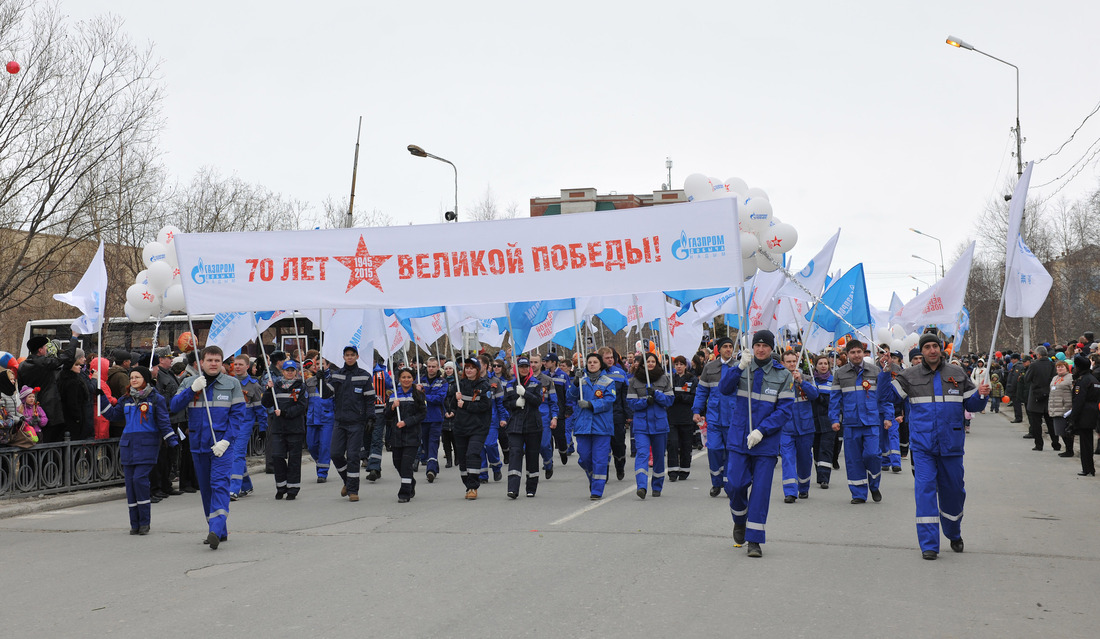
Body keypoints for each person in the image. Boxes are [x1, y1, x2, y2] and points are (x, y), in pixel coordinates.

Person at [885, 333, 989, 560]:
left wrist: (982, 396)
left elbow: (971, 402)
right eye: (927, 347)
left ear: (941, 349)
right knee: (924, 492)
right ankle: (929, 545)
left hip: (951, 445)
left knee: (954, 492)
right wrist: (886, 371)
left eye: (935, 346)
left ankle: (953, 532)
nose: (932, 350)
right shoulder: (909, 376)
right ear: (921, 351)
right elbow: (886, 398)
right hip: (923, 446)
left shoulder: (957, 373)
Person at [719, 330, 794, 558]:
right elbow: (724, 389)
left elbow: (784, 411)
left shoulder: (783, 376)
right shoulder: (743, 369)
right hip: (739, 438)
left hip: (766, 442)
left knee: (760, 492)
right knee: (734, 484)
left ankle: (754, 540)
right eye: (757, 345)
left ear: (772, 349)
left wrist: (762, 430)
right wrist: (739, 367)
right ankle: (739, 519)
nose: (761, 349)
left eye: (765, 345)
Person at [170, 346, 249, 549]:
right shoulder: (190, 382)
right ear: (201, 363)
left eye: (217, 360)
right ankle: (218, 530)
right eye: (210, 360)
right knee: (206, 489)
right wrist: (192, 390)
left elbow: (238, 416)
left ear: (222, 363)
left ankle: (214, 528)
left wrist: (227, 440)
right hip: (198, 445)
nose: (213, 363)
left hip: (222, 446)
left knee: (219, 484)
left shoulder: (232, 384)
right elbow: (174, 406)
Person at [101, 366, 180, 535]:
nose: (133, 380)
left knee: (139, 480)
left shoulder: (155, 399)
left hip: (147, 445)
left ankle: (145, 522)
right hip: (128, 445)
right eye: (131, 378)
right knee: (130, 484)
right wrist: (101, 397)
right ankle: (134, 524)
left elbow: (163, 422)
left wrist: (172, 440)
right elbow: (113, 415)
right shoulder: (126, 399)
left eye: (137, 377)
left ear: (145, 379)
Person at [829, 339, 894, 504]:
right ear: (847, 355)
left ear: (863, 353)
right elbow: (835, 399)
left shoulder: (875, 371)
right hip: (851, 423)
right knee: (853, 459)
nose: (856, 355)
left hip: (871, 422)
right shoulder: (840, 373)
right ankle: (858, 493)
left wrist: (888, 416)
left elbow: (884, 397)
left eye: (859, 352)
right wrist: (834, 419)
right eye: (853, 352)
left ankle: (874, 484)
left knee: (873, 454)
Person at [329, 346, 376, 502]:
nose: (349, 357)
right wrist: (322, 379)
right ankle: (347, 481)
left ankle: (353, 490)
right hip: (340, 421)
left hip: (357, 422)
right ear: (343, 357)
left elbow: (370, 400)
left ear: (357, 356)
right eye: (347, 355)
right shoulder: (337, 375)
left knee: (353, 456)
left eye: (352, 355)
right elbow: (325, 395)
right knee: (335, 454)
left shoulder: (364, 376)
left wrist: (371, 418)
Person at [566, 353, 617, 500]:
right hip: (583, 425)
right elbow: (570, 396)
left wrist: (591, 404)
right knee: (584, 457)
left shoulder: (608, 382)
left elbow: (609, 401)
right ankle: (593, 479)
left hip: (601, 427)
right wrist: (575, 381)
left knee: (599, 459)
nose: (592, 364)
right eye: (589, 362)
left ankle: (597, 490)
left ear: (600, 364)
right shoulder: (582, 380)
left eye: (595, 362)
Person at [693, 337, 736, 497]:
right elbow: (702, 391)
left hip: (733, 417)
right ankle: (716, 482)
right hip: (715, 416)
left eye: (730, 346)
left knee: (731, 452)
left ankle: (728, 483)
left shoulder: (739, 367)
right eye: (725, 346)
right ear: (718, 349)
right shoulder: (710, 368)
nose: (728, 349)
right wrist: (697, 410)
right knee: (714, 449)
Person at [626, 352, 673, 499]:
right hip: (641, 424)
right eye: (648, 362)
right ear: (643, 364)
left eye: (653, 361)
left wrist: (657, 395)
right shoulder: (634, 381)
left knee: (659, 456)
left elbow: (670, 400)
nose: (650, 364)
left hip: (659, 424)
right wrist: (645, 401)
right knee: (642, 454)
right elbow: (631, 403)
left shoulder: (664, 379)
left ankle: (657, 486)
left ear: (657, 363)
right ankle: (641, 486)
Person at [263, 360, 309, 499]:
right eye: (287, 370)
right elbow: (266, 403)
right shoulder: (276, 385)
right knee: (277, 457)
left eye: (292, 370)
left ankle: (293, 489)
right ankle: (281, 487)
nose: (289, 372)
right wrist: (268, 390)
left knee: (294, 460)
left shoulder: (301, 386)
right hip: (278, 429)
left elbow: (302, 407)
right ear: (282, 371)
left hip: (295, 429)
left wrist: (284, 413)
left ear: (296, 372)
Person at [19, 335, 78, 442]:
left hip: (31, 411)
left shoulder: (22, 366)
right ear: (40, 350)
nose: (46, 349)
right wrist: (74, 337)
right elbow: (67, 356)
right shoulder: (44, 362)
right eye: (45, 347)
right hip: (50, 409)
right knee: (51, 442)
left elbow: (21, 389)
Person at [501, 356, 544, 498]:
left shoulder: (536, 383)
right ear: (517, 368)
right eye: (521, 367)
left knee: (532, 456)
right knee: (515, 454)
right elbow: (505, 403)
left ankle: (531, 487)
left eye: (526, 367)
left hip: (533, 425)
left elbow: (538, 401)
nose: (524, 369)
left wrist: (525, 394)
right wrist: (515, 404)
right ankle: (513, 488)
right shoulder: (509, 384)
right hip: (515, 425)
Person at [780, 350, 817, 502]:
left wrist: (801, 381)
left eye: (794, 361)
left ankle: (803, 487)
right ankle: (790, 492)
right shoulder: (778, 380)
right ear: (782, 363)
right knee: (787, 458)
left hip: (805, 426)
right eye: (788, 362)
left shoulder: (807, 377)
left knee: (804, 459)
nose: (791, 364)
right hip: (785, 427)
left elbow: (815, 395)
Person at [453, 357, 492, 500]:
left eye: (472, 367)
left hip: (478, 427)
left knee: (473, 454)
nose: (468, 370)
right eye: (466, 368)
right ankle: (467, 483)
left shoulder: (484, 385)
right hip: (461, 427)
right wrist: (454, 398)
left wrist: (466, 405)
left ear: (477, 370)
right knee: (462, 458)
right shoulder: (458, 384)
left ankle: (473, 486)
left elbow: (485, 406)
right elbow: (451, 405)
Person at [385, 367, 426, 503]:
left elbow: (422, 414)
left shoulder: (418, 394)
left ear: (413, 379)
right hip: (396, 435)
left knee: (406, 465)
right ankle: (410, 482)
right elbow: (386, 415)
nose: (406, 380)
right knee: (397, 463)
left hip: (412, 435)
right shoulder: (394, 395)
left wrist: (407, 422)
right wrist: (392, 407)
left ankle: (404, 492)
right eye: (403, 377)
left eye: (409, 377)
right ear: (399, 379)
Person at [230, 354, 267, 500]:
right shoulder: (228, 382)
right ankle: (246, 485)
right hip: (230, 424)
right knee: (235, 455)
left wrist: (263, 428)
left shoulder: (254, 385)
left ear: (247, 367)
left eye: (240, 364)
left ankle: (234, 489)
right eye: (235, 364)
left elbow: (260, 409)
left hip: (245, 425)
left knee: (237, 454)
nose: (237, 367)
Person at [598, 347, 631, 481]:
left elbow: (625, 395)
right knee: (603, 446)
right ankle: (603, 472)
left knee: (618, 444)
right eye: (607, 357)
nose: (610, 359)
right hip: (600, 416)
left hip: (617, 415)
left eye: (611, 357)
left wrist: (628, 414)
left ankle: (620, 465)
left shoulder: (620, 373)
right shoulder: (595, 373)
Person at [416, 357, 448, 483]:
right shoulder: (420, 380)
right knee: (426, 444)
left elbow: (439, 398)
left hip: (435, 417)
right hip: (423, 418)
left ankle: (430, 470)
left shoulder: (442, 382)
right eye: (429, 366)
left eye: (433, 366)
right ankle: (434, 465)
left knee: (433, 443)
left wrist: (423, 395)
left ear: (437, 367)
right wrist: (416, 390)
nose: (431, 369)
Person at [304, 357, 335, 483]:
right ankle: (321, 461)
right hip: (312, 418)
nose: (318, 366)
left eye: (321, 364)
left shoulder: (333, 381)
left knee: (324, 446)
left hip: (327, 418)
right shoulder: (309, 381)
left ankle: (322, 472)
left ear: (327, 365)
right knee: (311, 445)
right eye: (316, 364)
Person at [667, 356, 697, 482]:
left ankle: (684, 469)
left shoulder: (692, 379)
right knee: (672, 444)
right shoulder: (670, 379)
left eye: (681, 364)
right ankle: (672, 470)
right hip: (672, 417)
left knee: (686, 444)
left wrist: (682, 398)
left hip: (686, 417)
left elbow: (694, 397)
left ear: (686, 366)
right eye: (676, 364)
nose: (678, 366)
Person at [1068, 354, 1099, 476]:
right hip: (1093, 412)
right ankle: (1090, 467)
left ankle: (1087, 468)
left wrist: (1072, 419)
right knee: (1089, 441)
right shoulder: (1094, 379)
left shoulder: (1083, 381)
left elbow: (1078, 401)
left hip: (1084, 414)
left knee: (1085, 443)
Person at [1024, 346, 1057, 451]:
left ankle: (1039, 445)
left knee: (1036, 424)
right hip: (1049, 396)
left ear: (1038, 355)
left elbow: (1027, 379)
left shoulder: (1034, 365)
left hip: (1035, 397)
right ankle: (1056, 444)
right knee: (1051, 423)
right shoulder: (1052, 365)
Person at [809, 355, 835, 489]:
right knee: (817, 449)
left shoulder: (833, 381)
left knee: (826, 449)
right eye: (820, 363)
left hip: (828, 420)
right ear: (815, 365)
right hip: (813, 421)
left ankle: (824, 478)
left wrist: (819, 397)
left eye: (826, 363)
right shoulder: (811, 381)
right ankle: (819, 471)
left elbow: (834, 402)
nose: (823, 366)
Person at [58, 348, 92, 440]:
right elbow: (72, 402)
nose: (80, 366)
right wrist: (78, 418)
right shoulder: (72, 382)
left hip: (72, 418)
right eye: (76, 365)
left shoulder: (72, 379)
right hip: (73, 420)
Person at [1048, 359, 1075, 457]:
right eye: (1058, 367)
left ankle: (1069, 450)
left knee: (1066, 431)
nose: (1060, 369)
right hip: (1055, 407)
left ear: (1066, 368)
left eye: (1062, 367)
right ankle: (1067, 449)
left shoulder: (1070, 378)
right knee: (1060, 430)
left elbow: (1074, 393)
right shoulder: (1055, 378)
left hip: (1065, 408)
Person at [105, 349, 133, 438]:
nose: (130, 362)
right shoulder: (122, 376)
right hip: (121, 418)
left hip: (114, 415)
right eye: (129, 361)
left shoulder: (111, 373)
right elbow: (127, 393)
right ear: (124, 362)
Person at [441, 361, 457, 468]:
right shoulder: (442, 382)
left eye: (450, 368)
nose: (448, 371)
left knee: (455, 438)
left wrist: (454, 411)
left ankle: (458, 457)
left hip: (455, 414)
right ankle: (449, 459)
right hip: (444, 413)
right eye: (446, 369)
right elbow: (441, 398)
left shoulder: (458, 383)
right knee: (445, 439)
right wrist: (445, 411)